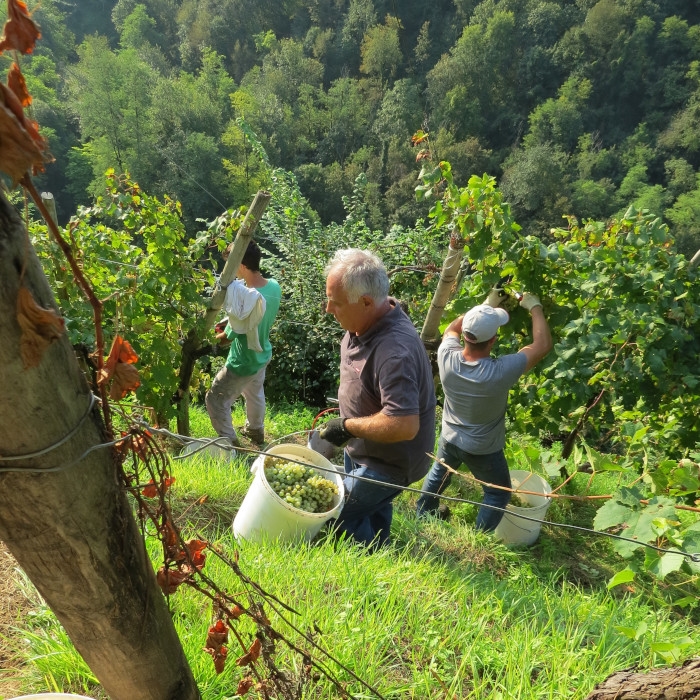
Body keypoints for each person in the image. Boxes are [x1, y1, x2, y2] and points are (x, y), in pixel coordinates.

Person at [318, 248, 436, 548]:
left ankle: (360, 564)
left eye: (336, 303)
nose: (328, 310)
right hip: (361, 447)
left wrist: (347, 428)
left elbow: (404, 424)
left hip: (388, 462)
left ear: (367, 302)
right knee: (372, 509)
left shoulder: (394, 351)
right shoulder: (362, 323)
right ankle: (377, 548)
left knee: (331, 516)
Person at [415, 288, 553, 531]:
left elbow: (452, 329)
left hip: (450, 436)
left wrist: (482, 307)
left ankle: (422, 515)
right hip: (483, 448)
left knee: (439, 474)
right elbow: (542, 345)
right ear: (493, 340)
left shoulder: (446, 354)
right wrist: (534, 306)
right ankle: (478, 538)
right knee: (498, 493)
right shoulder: (500, 372)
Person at [205, 240, 281, 446]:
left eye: (230, 265)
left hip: (242, 361)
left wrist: (205, 341)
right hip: (262, 355)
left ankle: (230, 444)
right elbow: (255, 317)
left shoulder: (248, 299)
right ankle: (256, 431)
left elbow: (228, 337)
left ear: (241, 265)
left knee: (215, 400)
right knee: (254, 393)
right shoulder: (274, 286)